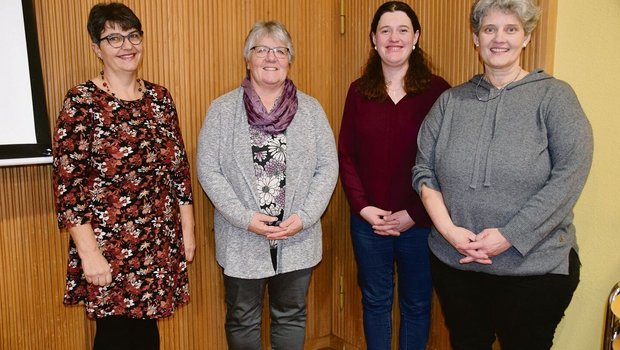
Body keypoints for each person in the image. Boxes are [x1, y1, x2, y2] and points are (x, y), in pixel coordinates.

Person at [412, 0, 593, 349]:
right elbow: (424, 170)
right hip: (458, 265)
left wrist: (509, 235)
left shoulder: (554, 97)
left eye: (511, 29)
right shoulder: (450, 102)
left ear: (526, 38)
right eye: (489, 29)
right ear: (476, 39)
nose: (499, 38)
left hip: (533, 268)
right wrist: (449, 232)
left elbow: (570, 174)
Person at [52, 3, 195, 349]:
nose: (126, 45)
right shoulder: (81, 102)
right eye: (113, 38)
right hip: (108, 246)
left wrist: (187, 231)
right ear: (96, 48)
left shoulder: (160, 98)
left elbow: (178, 169)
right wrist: (89, 254)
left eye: (132, 35)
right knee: (115, 337)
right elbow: (68, 186)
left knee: (147, 335)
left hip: (158, 243)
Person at [196, 21, 338, 350]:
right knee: (243, 316)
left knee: (291, 314)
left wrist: (305, 216)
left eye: (280, 50)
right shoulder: (222, 110)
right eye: (262, 50)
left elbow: (328, 166)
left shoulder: (312, 111)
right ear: (248, 59)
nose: (271, 57)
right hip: (243, 234)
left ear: (290, 59)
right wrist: (243, 217)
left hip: (297, 233)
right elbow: (208, 169)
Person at [338, 2, 450, 349]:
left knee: (416, 305)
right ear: (373, 39)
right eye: (385, 30)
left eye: (403, 29)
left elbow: (446, 162)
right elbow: (347, 155)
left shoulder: (438, 92)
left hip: (421, 223)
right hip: (369, 223)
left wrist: (414, 214)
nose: (394, 38)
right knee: (375, 302)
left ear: (416, 37)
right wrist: (363, 208)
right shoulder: (358, 91)